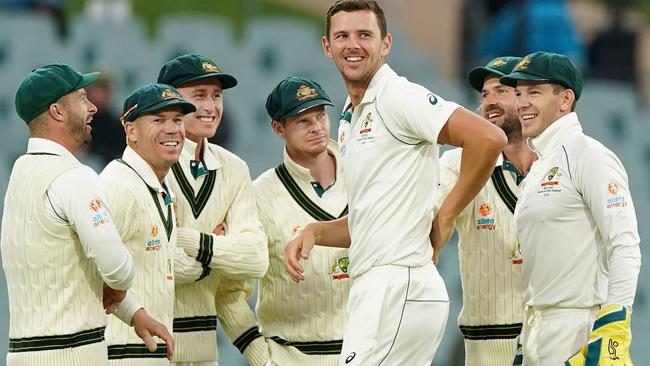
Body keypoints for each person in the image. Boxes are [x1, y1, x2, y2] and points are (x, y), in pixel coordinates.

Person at [284, 1, 507, 365]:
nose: (352, 44)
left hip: (398, 285)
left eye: (364, 35)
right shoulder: (349, 117)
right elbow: (373, 220)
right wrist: (317, 233)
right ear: (327, 46)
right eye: (342, 36)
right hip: (380, 288)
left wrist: (447, 214)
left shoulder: (398, 96)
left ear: (386, 44)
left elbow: (488, 138)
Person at [1, 64, 172, 366]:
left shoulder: (20, 173)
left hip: (22, 354)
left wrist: (134, 314)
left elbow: (68, 270)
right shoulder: (76, 177)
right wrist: (120, 287)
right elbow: (117, 269)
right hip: (73, 354)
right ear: (57, 111)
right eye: (82, 98)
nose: (93, 107)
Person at [500, 51, 641, 365]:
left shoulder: (590, 155)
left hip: (580, 329)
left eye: (534, 92)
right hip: (536, 331)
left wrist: (613, 328)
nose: (521, 103)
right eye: (519, 93)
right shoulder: (536, 170)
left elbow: (625, 245)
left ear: (565, 100)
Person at [157, 53, 268, 366]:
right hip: (145, 352)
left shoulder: (235, 169)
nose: (211, 107)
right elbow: (157, 264)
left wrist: (192, 241)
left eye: (216, 96)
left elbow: (255, 259)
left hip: (205, 355)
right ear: (172, 103)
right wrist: (220, 252)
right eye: (200, 96)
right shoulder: (144, 164)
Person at [230, 76, 350, 366]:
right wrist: (261, 358)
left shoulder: (364, 177)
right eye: (303, 121)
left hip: (364, 354)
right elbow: (228, 292)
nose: (317, 127)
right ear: (278, 129)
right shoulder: (258, 196)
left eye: (321, 115)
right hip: (290, 356)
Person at [100, 83, 212, 365]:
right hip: (121, 354)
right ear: (131, 130)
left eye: (177, 120)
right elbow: (92, 275)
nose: (173, 129)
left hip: (150, 353)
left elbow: (161, 266)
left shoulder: (161, 188)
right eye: (158, 120)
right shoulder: (118, 186)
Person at [436, 56, 537, 365]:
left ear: (525, 99)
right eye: (484, 94)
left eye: (501, 91)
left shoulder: (561, 164)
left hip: (554, 338)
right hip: (488, 345)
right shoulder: (456, 164)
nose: (490, 101)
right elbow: (424, 210)